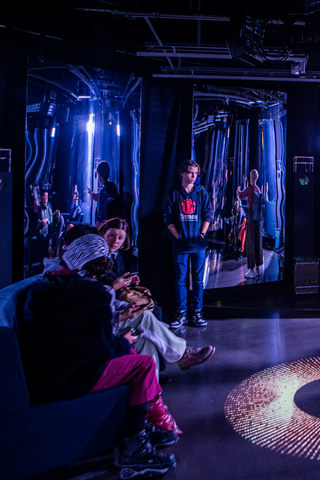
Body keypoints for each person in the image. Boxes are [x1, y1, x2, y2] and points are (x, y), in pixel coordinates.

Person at [18, 234, 180, 476]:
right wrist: (123, 343)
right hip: (69, 377)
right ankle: (134, 445)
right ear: (100, 264)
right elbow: (102, 350)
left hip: (43, 373)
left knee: (136, 353)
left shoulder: (42, 284)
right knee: (143, 365)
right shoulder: (92, 292)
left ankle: (141, 427)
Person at [99, 218, 216, 380]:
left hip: (113, 307)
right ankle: (181, 354)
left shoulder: (115, 257)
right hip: (105, 319)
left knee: (150, 322)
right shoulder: (96, 261)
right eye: (111, 236)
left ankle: (152, 384)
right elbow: (96, 300)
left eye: (120, 238)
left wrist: (127, 282)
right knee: (147, 318)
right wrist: (115, 288)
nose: (115, 242)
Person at [164, 160, 212, 329]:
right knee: (180, 280)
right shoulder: (174, 193)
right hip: (180, 246)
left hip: (198, 245)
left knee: (198, 280)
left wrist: (202, 233)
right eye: (190, 172)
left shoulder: (201, 192)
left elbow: (208, 214)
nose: (193, 176)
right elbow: (168, 218)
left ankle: (198, 312)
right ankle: (181, 312)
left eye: (196, 173)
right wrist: (178, 236)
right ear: (182, 173)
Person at [236, 169, 264, 279]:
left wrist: (237, 190)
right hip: (258, 218)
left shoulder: (249, 189)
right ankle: (257, 269)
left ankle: (251, 270)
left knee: (250, 242)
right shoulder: (258, 189)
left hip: (251, 216)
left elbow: (241, 196)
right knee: (258, 242)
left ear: (251, 177)